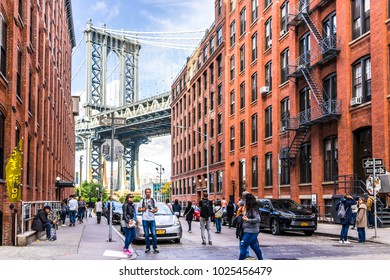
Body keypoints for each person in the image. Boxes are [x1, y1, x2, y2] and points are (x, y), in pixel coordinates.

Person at [238, 194, 263, 260]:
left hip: (251, 232)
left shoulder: (254, 210)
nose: (244, 202)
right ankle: (261, 260)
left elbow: (258, 219)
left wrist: (248, 220)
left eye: (245, 201)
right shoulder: (248, 210)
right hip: (248, 231)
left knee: (242, 246)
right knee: (254, 246)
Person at [138, 188, 159, 253]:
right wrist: (144, 208)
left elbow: (156, 209)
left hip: (152, 219)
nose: (148, 193)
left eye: (149, 192)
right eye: (147, 192)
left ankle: (155, 248)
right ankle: (147, 248)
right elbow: (138, 210)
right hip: (145, 219)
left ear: (151, 193)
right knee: (146, 235)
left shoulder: (153, 200)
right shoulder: (142, 200)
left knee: (154, 234)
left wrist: (153, 211)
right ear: (145, 193)